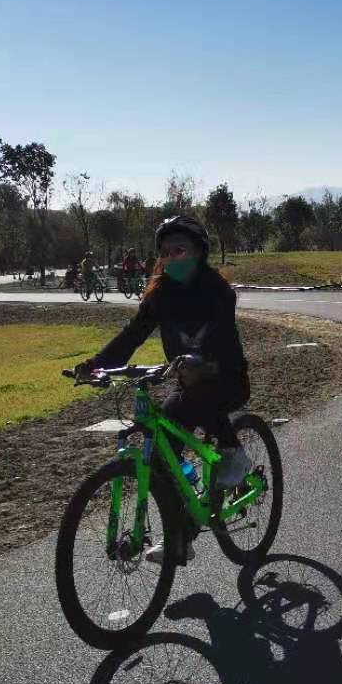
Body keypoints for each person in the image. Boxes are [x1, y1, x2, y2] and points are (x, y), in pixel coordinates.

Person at [74, 216, 252, 565]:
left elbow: (223, 341)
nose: (172, 258)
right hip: (188, 384)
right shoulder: (161, 295)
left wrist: (204, 365)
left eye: (180, 250)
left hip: (227, 380)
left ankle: (234, 452)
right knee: (160, 453)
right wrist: (97, 363)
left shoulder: (218, 292)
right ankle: (180, 539)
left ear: (199, 252)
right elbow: (132, 334)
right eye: (166, 253)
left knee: (201, 399)